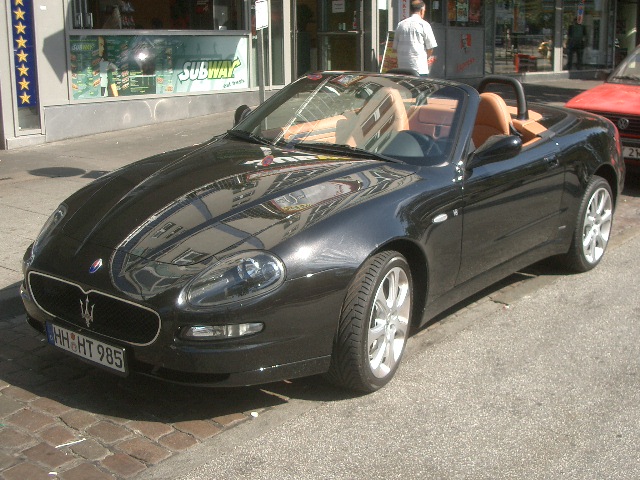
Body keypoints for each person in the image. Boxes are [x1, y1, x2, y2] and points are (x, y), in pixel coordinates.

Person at [392, 0, 437, 76]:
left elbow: (394, 48)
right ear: (422, 11)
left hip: (402, 69)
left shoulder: (400, 25)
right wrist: (424, 58)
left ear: (410, 11)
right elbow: (430, 48)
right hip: (419, 69)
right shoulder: (424, 25)